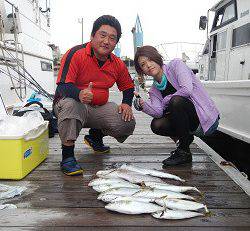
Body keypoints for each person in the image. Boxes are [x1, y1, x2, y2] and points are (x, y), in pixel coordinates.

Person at [53, 15, 136, 176]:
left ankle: (95, 137)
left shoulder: (117, 63)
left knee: (127, 122)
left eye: (112, 38)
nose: (106, 41)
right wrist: (79, 93)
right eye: (102, 35)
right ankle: (68, 157)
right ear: (92, 36)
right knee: (72, 104)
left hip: (97, 108)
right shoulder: (75, 53)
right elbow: (63, 86)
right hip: (69, 105)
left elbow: (128, 86)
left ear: (116, 43)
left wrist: (126, 103)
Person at [133, 45, 219, 166]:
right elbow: (158, 112)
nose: (148, 65)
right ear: (142, 70)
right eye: (143, 64)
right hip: (189, 126)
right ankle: (185, 140)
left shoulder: (176, 65)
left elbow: (187, 89)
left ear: (157, 58)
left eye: (150, 59)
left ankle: (184, 152)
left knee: (176, 101)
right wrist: (143, 105)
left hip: (206, 121)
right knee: (156, 125)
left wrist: (166, 99)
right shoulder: (154, 90)